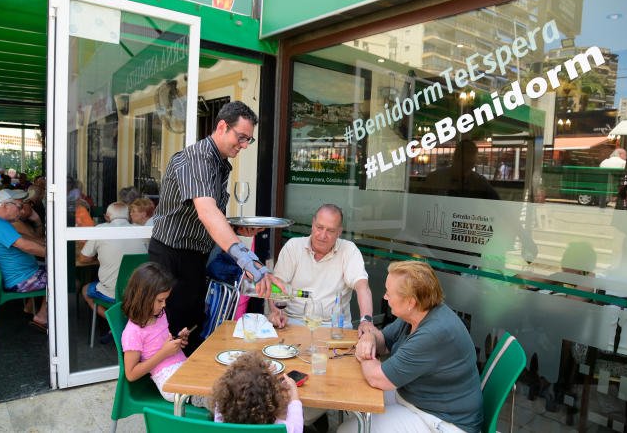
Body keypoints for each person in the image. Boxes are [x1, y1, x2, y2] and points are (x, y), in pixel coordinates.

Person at [149, 101, 276, 354]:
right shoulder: (196, 158)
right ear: (221, 127)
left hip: (196, 257)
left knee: (194, 326)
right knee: (171, 332)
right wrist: (248, 260)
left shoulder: (219, 163)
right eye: (241, 137)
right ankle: (171, 388)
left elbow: (209, 216)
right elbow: (207, 212)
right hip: (171, 256)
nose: (243, 145)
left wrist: (235, 229)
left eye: (248, 140)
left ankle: (189, 386)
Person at [339, 261, 483, 433]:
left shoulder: (433, 333)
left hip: (442, 420)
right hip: (417, 397)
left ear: (410, 302)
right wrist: (369, 337)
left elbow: (378, 378)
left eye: (388, 293)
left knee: (347, 430)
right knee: (354, 399)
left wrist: (363, 354)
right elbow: (384, 342)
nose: (385, 297)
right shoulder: (418, 313)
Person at [268, 204, 374, 334]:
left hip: (334, 327)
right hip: (292, 323)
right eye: (319, 227)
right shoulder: (293, 247)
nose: (322, 235)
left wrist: (366, 320)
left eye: (330, 231)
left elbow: (362, 287)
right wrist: (276, 312)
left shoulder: (349, 250)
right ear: (312, 224)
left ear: (339, 232)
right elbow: (276, 284)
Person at [121, 262, 203, 405]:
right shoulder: (132, 332)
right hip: (170, 383)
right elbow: (131, 374)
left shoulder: (159, 314)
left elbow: (160, 342)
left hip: (184, 367)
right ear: (143, 297)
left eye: (165, 300)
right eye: (160, 300)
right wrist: (164, 353)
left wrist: (177, 340)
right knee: (213, 397)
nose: (164, 305)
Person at [0, 189, 48, 331]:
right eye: (19, 206)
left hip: (14, 274)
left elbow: (20, 237)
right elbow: (25, 246)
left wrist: (43, 244)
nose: (21, 211)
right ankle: (42, 317)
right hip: (20, 279)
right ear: (4, 205)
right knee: (68, 279)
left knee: (47, 267)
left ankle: (29, 307)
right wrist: (56, 254)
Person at [79, 202, 149, 320]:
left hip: (111, 293)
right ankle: (126, 324)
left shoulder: (100, 230)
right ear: (128, 216)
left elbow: (84, 258)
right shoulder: (141, 231)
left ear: (107, 217)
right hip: (139, 292)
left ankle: (116, 323)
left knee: (85, 290)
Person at [210, 351, 303, 433]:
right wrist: (294, 397)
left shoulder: (221, 419)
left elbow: (222, 399)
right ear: (271, 398)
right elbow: (297, 428)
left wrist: (258, 374)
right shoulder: (277, 427)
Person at [424, 140, 499, 200]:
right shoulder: (435, 178)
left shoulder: (479, 182)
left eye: (469, 165)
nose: (465, 171)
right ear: (455, 159)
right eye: (464, 164)